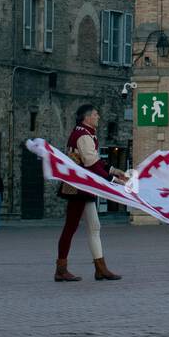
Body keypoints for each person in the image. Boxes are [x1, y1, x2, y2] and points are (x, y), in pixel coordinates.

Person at [55, 104, 125, 282]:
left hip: (83, 186)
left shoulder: (84, 133)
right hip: (79, 187)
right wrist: (112, 180)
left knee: (94, 226)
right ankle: (61, 269)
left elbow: (95, 161)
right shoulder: (83, 135)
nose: (98, 117)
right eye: (95, 114)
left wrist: (113, 170)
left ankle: (100, 268)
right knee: (71, 227)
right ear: (87, 118)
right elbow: (91, 164)